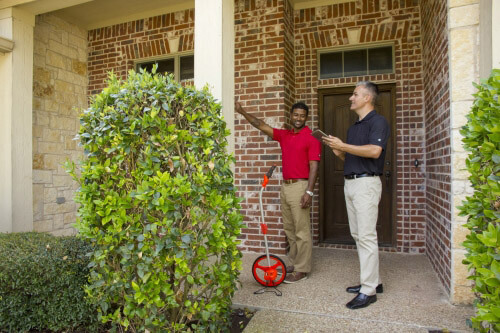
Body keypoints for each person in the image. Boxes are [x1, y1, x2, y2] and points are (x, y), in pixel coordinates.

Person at [235, 101, 321, 283]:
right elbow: (260, 125)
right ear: (291, 115)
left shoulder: (311, 137)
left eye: (302, 115)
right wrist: (242, 111)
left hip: (300, 186)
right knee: (289, 229)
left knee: (302, 230)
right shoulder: (285, 135)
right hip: (286, 187)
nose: (298, 118)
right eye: (296, 115)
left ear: (306, 117)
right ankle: (296, 263)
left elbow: (314, 167)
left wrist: (309, 192)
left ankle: (302, 270)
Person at [322, 81, 389, 309]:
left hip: (366, 185)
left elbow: (374, 151)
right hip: (350, 184)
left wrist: (346, 146)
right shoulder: (354, 127)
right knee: (359, 235)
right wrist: (340, 151)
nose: (351, 98)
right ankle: (372, 281)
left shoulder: (378, 122)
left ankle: (368, 291)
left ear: (367, 98)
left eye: (355, 94)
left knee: (367, 236)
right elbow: (352, 158)